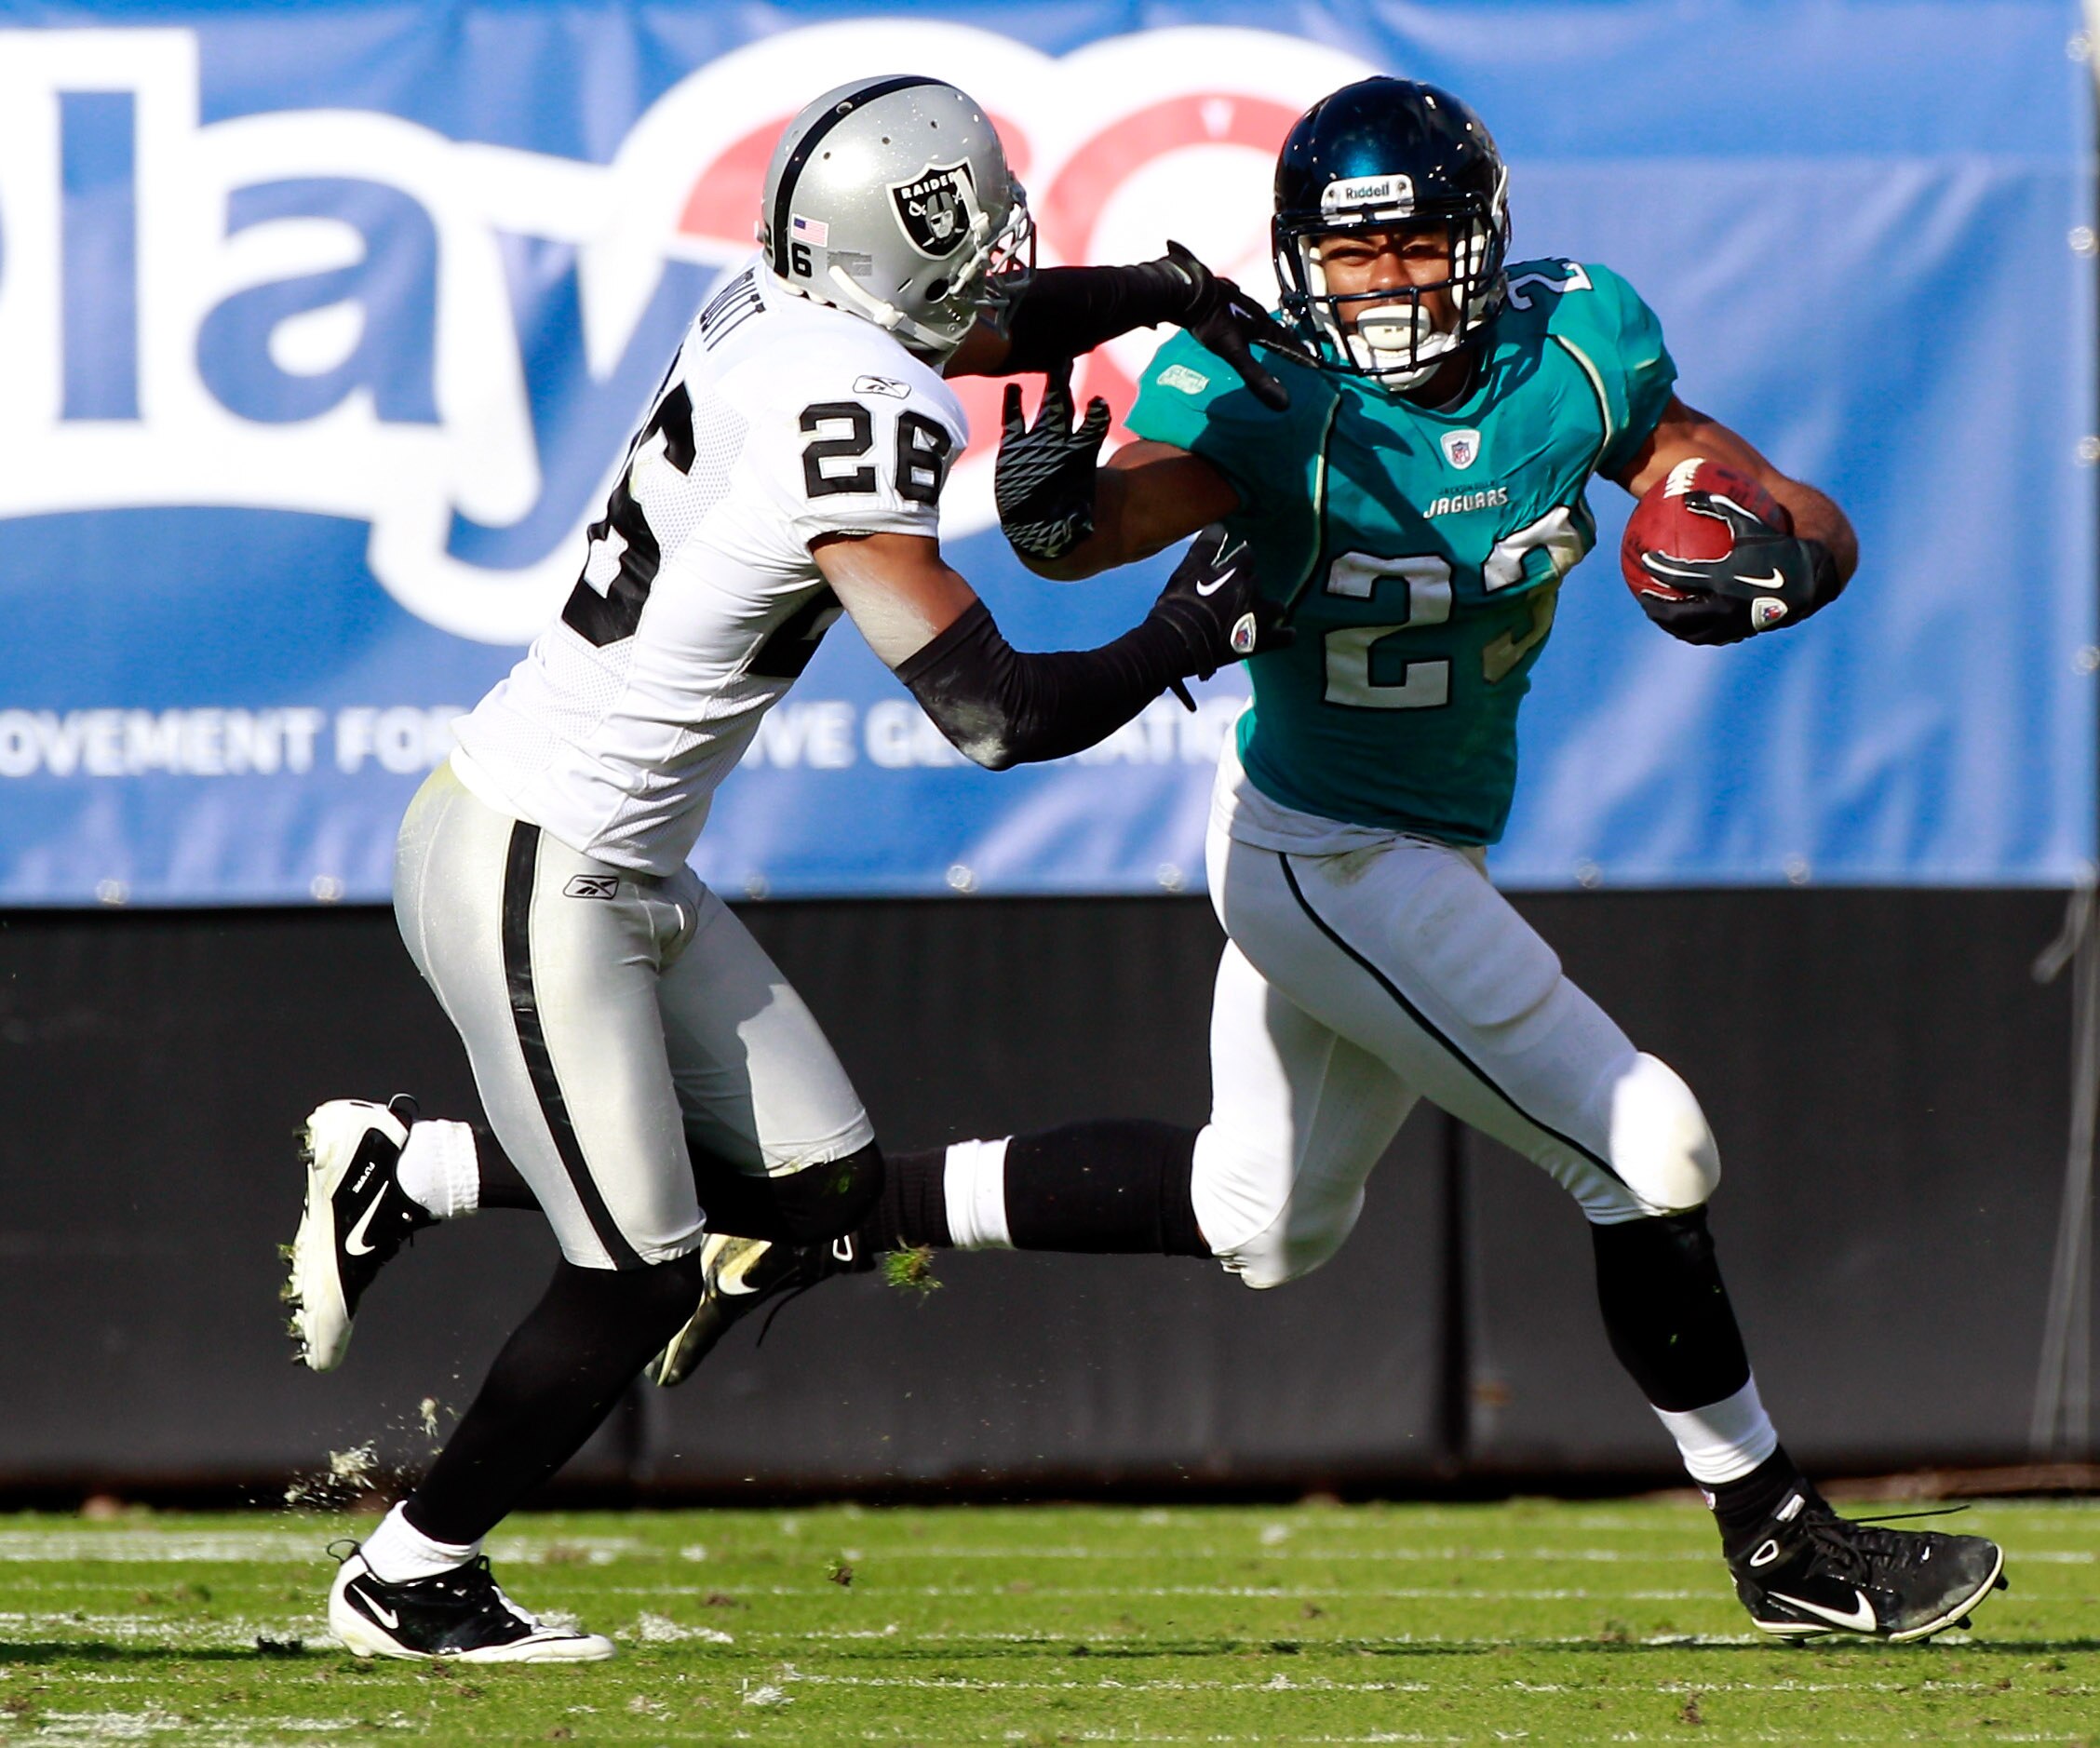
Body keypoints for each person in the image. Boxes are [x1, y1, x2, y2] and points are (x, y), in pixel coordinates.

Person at [310, 75, 2010, 1647]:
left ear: (1486, 240)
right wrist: (1120, 572)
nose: (1390, 284)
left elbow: (1757, 490)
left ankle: (439, 1176)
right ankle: (1777, 1530)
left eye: (1420, 242)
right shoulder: (1206, 396)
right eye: (1354, 254)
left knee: (1250, 1221)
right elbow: (1028, 642)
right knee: (1648, 1143)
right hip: (1323, 851)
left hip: (1371, 836)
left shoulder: (1580, 339)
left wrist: (1782, 551)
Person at [288, 72, 1297, 1664]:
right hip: (539, 859)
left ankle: (415, 1170)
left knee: (825, 1190)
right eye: (968, 244)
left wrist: (1167, 294)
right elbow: (991, 713)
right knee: (635, 1274)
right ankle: (407, 1572)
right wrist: (1196, 624)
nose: (1000, 277)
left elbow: (984, 322)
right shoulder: (867, 407)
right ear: (897, 256)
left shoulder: (778, 304)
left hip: (613, 858)